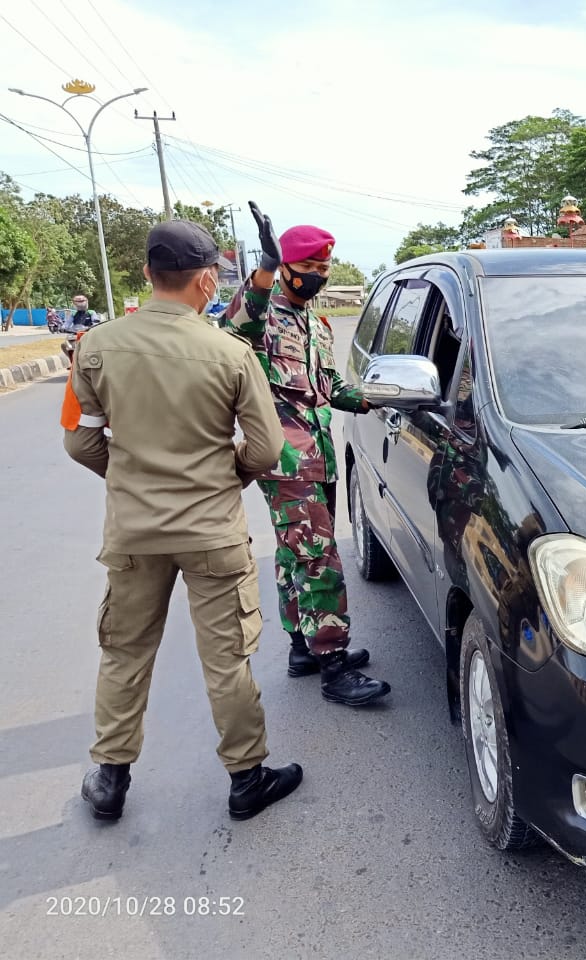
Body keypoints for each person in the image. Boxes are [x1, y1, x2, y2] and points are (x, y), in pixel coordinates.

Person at [63, 219, 302, 822]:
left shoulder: (94, 347)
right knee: (227, 659)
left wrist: (130, 478)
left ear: (147, 273)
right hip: (213, 533)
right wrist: (225, 478)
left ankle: (111, 779)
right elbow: (267, 449)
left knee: (124, 651)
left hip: (134, 535)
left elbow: (78, 442)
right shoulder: (232, 352)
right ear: (204, 280)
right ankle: (247, 779)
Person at [225, 202, 390, 707]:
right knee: (319, 558)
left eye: (324, 270)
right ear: (286, 268)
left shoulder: (315, 324)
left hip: (318, 454)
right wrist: (264, 272)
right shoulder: (263, 314)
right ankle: (334, 665)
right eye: (309, 269)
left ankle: (302, 646)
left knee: (295, 555)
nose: (317, 277)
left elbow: (329, 384)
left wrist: (370, 398)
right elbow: (235, 330)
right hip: (285, 459)